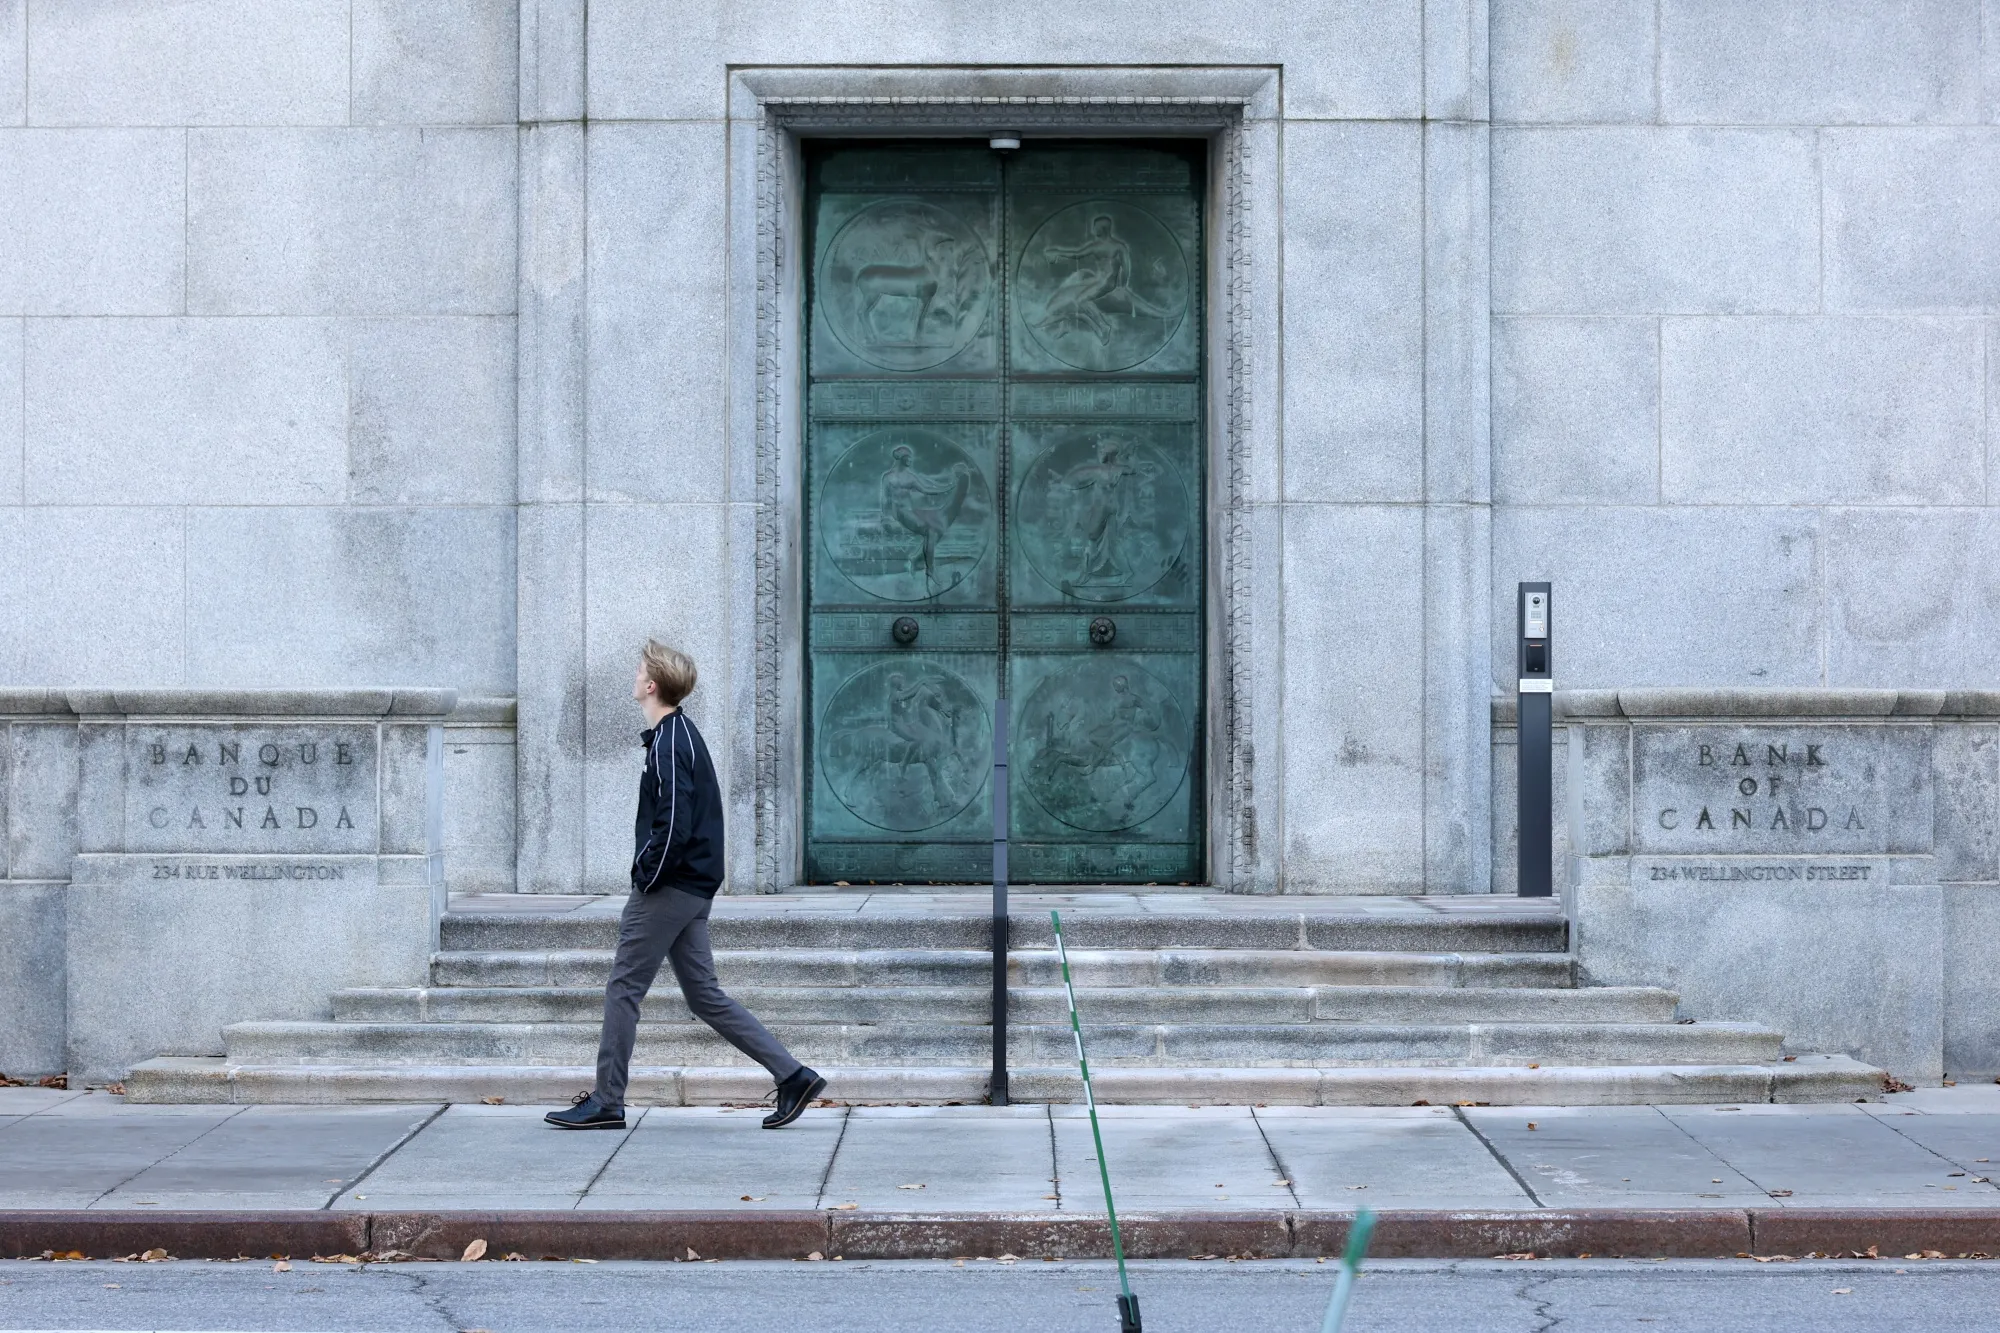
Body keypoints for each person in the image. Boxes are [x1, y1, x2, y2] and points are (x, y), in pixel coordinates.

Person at [546, 640, 825, 1130]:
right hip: (690, 887)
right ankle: (793, 1075)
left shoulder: (673, 741)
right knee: (703, 996)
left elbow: (673, 822)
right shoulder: (675, 736)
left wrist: (646, 876)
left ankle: (608, 1101)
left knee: (623, 987)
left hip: (670, 888)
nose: (634, 678)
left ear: (651, 685)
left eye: (638, 672)